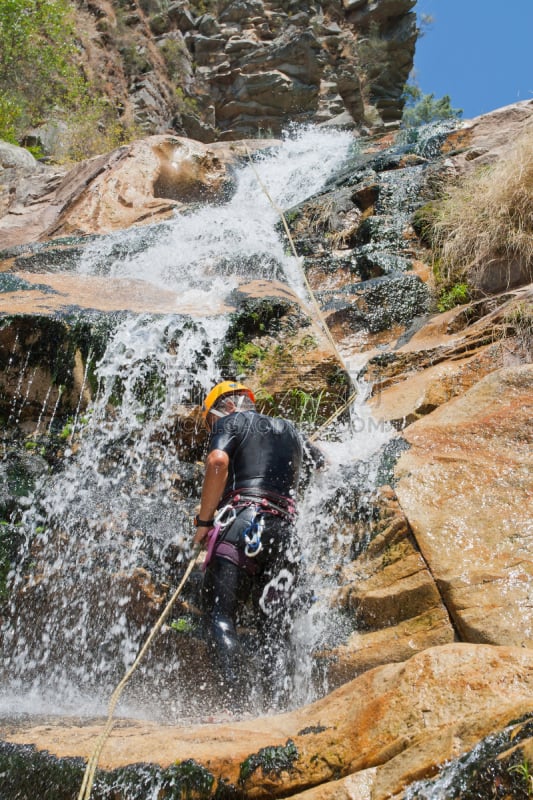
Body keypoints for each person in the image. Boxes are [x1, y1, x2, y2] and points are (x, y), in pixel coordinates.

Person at [193, 379, 323, 710]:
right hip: (284, 532)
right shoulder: (292, 430)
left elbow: (218, 462)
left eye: (211, 421)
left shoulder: (230, 420)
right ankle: (275, 710)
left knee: (220, 616)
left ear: (227, 406)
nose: (213, 426)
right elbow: (322, 467)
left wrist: (205, 522)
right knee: (274, 630)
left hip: (242, 524)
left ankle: (236, 707)